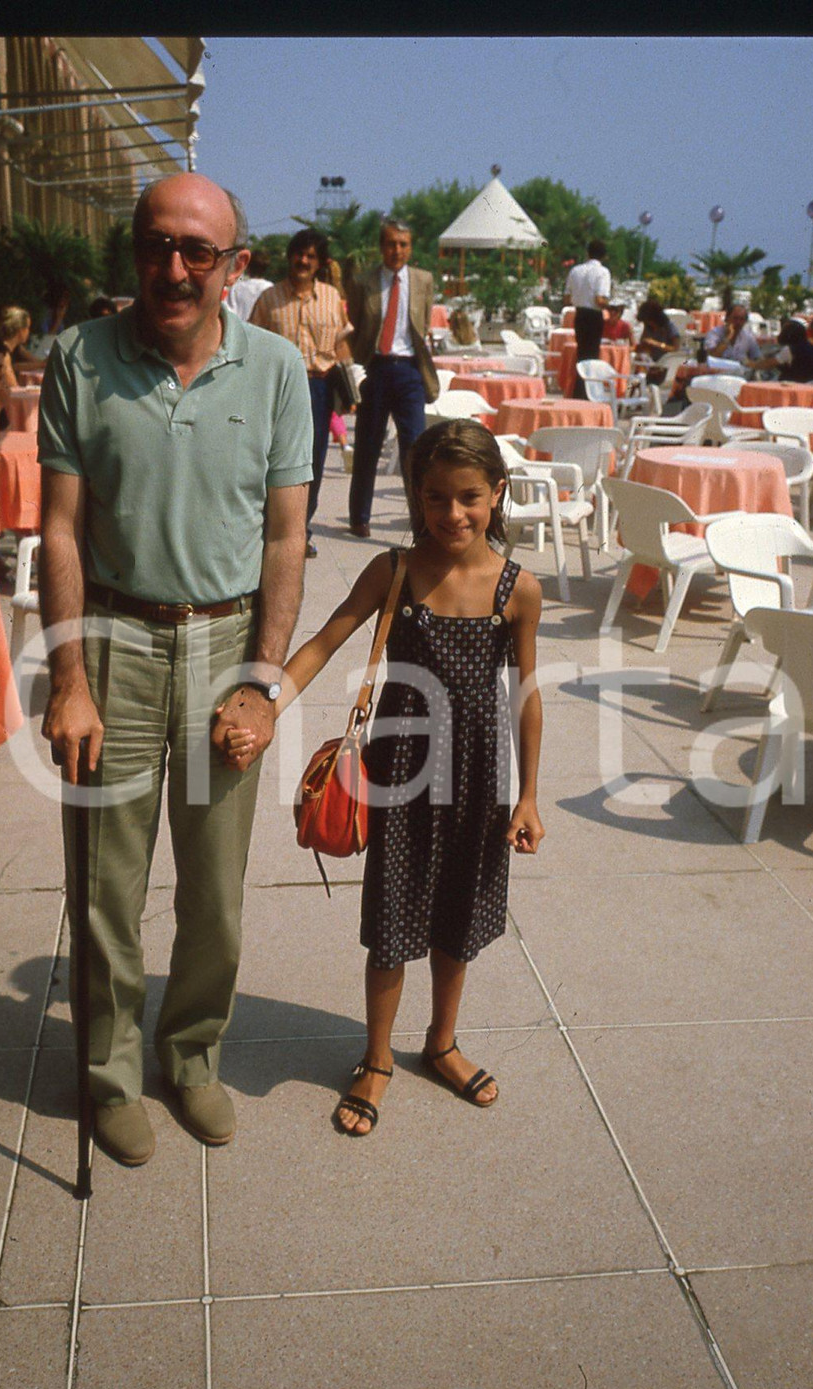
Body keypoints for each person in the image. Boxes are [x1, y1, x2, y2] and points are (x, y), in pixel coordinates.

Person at [36, 172, 312, 1167]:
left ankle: (190, 1056)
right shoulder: (78, 358)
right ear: (135, 252)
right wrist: (67, 677)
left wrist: (264, 681)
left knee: (214, 886)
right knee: (106, 885)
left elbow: (287, 541)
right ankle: (109, 1074)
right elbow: (58, 530)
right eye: (158, 245)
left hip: (223, 645)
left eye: (200, 251)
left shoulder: (279, 369)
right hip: (110, 642)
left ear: (236, 267)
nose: (176, 268)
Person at [229, 419, 545, 1135]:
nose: (453, 513)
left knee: (460, 920)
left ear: (498, 493)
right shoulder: (395, 571)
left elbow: (528, 696)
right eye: (436, 498)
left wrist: (526, 793)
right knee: (393, 925)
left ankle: (441, 1041)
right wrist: (267, 701)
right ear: (416, 498)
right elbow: (323, 640)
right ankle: (376, 1057)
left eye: (469, 496)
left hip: (479, 781)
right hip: (400, 778)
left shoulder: (518, 589)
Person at [249, 229, 353, 558]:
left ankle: (301, 532)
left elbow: (341, 345)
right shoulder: (269, 299)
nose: (303, 261)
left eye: (310, 256)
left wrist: (352, 387)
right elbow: (251, 345)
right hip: (277, 387)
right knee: (274, 459)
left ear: (320, 262)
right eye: (298, 254)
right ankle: (270, 530)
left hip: (319, 387)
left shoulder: (332, 300)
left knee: (313, 462)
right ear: (289, 257)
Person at [345, 218, 439, 537]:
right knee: (367, 446)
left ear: (410, 247)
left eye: (403, 244)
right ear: (381, 246)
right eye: (390, 243)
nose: (396, 250)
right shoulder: (363, 281)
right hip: (376, 369)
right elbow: (357, 325)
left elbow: (423, 323)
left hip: (410, 371)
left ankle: (421, 522)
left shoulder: (424, 280)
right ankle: (359, 517)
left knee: (415, 449)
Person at [562, 240, 611, 399]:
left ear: (587, 253)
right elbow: (599, 299)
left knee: (581, 353)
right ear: (604, 256)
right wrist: (611, 305)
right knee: (591, 355)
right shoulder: (603, 272)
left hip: (580, 315)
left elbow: (567, 298)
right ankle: (588, 393)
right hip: (593, 316)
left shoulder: (575, 270)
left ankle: (579, 390)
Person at [634, 299, 681, 384]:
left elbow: (676, 349)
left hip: (664, 365)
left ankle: (640, 382)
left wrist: (656, 344)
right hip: (650, 362)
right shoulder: (648, 327)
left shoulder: (669, 327)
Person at [224, 248, 273, 321]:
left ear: (247, 266)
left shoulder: (237, 287)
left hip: (237, 329)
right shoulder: (270, 289)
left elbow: (228, 311)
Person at [0, 305, 40, 383]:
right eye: (27, 328)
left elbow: (35, 361)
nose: (28, 332)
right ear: (20, 330)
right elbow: (13, 387)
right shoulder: (4, 354)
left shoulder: (17, 348)